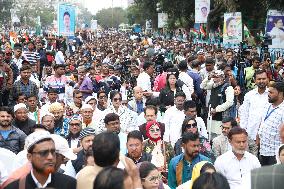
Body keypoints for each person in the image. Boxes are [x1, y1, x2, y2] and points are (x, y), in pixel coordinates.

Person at [4, 131, 76, 189]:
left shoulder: (70, 184)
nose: (50, 157)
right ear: (29, 157)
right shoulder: (14, 186)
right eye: (43, 153)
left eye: (53, 152)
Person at [239, 69, 269, 156]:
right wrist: (243, 132)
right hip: (250, 134)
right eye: (259, 79)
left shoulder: (271, 95)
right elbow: (244, 114)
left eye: (263, 79)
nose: (261, 81)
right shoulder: (249, 95)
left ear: (267, 79)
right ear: (254, 80)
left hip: (267, 136)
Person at [201, 70, 234, 139]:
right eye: (214, 77)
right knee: (211, 136)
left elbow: (229, 102)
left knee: (221, 137)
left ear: (222, 77)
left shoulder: (228, 87)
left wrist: (216, 109)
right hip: (211, 116)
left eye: (216, 77)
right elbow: (202, 86)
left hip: (221, 117)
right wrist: (209, 77)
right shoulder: (213, 85)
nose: (214, 79)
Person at [258, 82, 284, 166]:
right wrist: (258, 134)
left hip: (275, 153)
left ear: (280, 94)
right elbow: (262, 121)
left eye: (271, 92)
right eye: (268, 92)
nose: (268, 94)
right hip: (263, 150)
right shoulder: (267, 105)